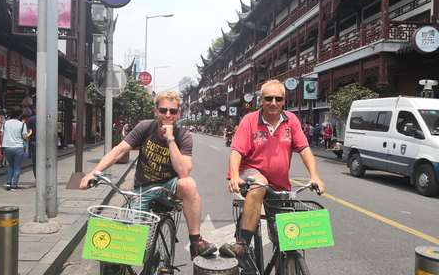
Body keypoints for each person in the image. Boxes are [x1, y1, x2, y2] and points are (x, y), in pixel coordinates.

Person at [80, 91, 217, 260]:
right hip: (142, 190)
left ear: (179, 113)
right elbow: (118, 151)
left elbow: (183, 172)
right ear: (156, 111)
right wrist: (94, 173)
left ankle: (195, 242)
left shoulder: (184, 137)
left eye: (173, 111)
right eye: (163, 110)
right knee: (126, 248)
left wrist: (170, 139)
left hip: (168, 189)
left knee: (189, 183)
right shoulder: (145, 128)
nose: (168, 114)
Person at [219, 80, 325, 270]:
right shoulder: (249, 120)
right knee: (259, 184)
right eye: (269, 98)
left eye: (277, 98)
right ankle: (242, 245)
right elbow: (235, 151)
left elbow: (305, 149)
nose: (273, 102)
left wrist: (314, 176)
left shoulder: (291, 120)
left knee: (284, 243)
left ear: (284, 100)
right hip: (251, 174)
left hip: (280, 186)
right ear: (261, 99)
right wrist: (234, 175)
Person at [2, 106, 29, 191]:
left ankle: (8, 182)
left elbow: (2, 134)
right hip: (18, 147)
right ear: (20, 115)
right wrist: (29, 134)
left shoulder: (5, 123)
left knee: (11, 165)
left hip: (7, 146)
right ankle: (15, 185)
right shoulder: (22, 124)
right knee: (17, 167)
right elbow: (24, 136)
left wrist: (1, 144)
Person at [26, 105, 37, 178]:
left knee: (35, 161)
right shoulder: (47, 118)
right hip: (46, 142)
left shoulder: (31, 119)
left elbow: (28, 132)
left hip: (34, 141)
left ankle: (37, 177)